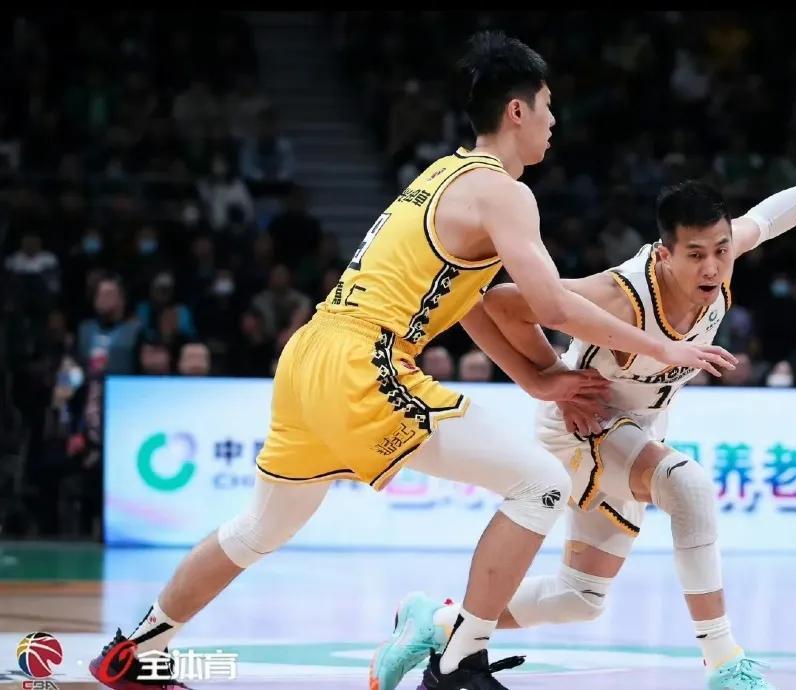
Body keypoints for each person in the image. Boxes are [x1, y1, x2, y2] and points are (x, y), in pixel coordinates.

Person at [90, 31, 734, 690]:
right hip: (364, 360)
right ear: (517, 111)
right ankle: (457, 663)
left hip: (310, 355)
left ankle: (132, 652)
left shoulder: (441, 175)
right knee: (540, 483)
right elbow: (550, 304)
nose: (553, 122)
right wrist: (664, 347)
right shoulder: (504, 192)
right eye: (547, 107)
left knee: (259, 528)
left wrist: (540, 378)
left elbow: (473, 303)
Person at [372, 170, 796, 690]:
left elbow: (768, 218)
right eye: (696, 255)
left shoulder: (721, 264)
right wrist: (553, 380)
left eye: (722, 251)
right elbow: (494, 303)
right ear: (664, 255)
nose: (712, 267)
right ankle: (724, 661)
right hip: (581, 428)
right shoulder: (620, 294)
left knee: (579, 598)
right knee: (688, 486)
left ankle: (436, 621)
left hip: (631, 434)